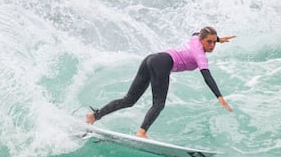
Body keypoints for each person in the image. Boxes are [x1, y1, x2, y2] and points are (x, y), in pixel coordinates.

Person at [86, 26, 236, 138]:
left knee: (129, 100)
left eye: (213, 42)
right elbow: (207, 76)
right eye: (209, 42)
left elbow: (196, 33)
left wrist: (218, 39)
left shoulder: (195, 39)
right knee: (159, 103)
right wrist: (219, 96)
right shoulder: (200, 55)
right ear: (202, 40)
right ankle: (142, 132)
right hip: (163, 63)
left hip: (152, 58)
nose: (212, 45)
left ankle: (94, 116)